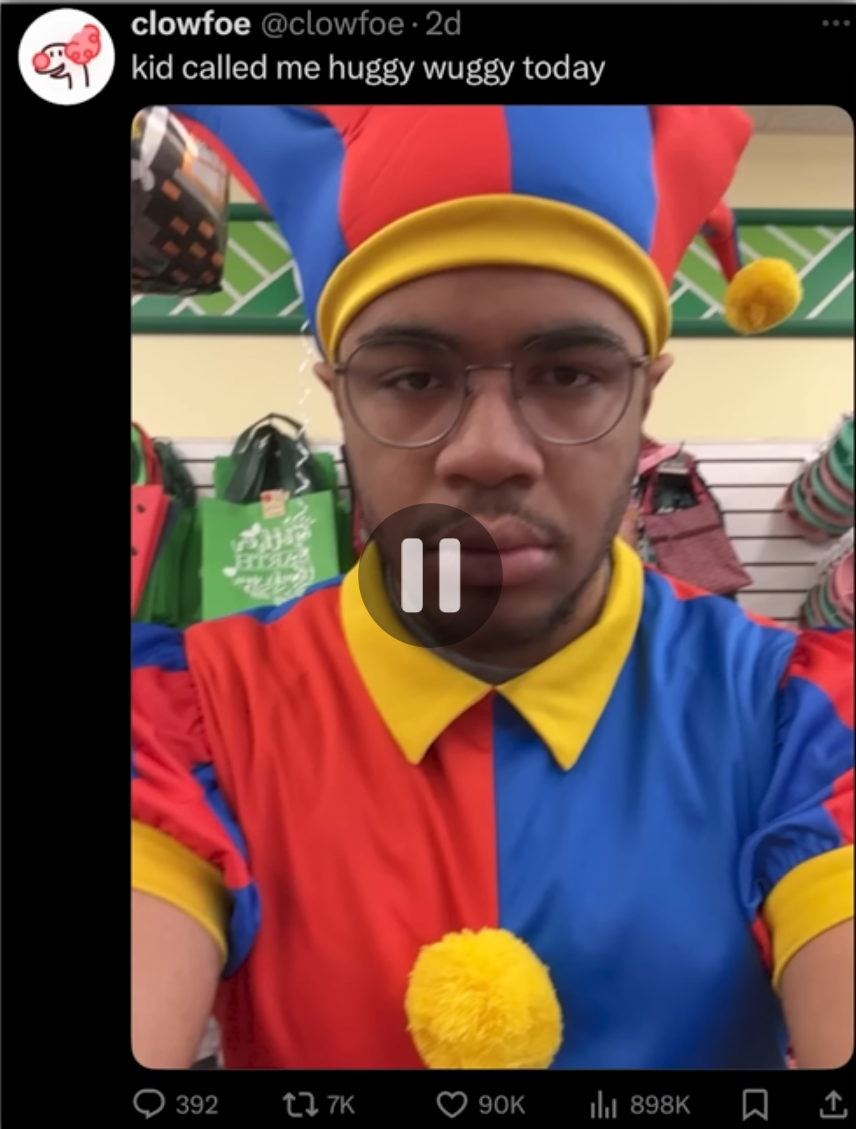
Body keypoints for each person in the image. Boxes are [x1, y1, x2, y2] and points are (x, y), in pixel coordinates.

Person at [132, 105, 853, 1070]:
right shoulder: (188, 719)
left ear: (645, 394)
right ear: (340, 396)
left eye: (569, 374)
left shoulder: (800, 720)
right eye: (411, 379)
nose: (488, 452)